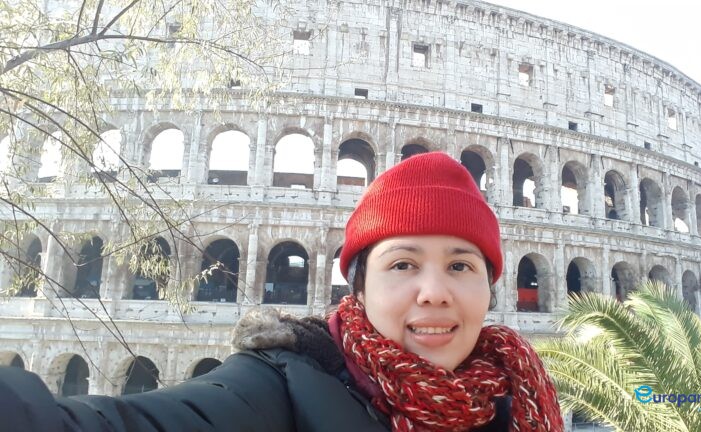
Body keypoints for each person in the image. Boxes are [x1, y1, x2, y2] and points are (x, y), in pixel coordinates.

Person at [0, 152, 563, 431]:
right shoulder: (275, 388)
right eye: (403, 264)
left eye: (462, 266)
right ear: (359, 287)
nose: (434, 292)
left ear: (491, 288)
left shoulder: (518, 397)